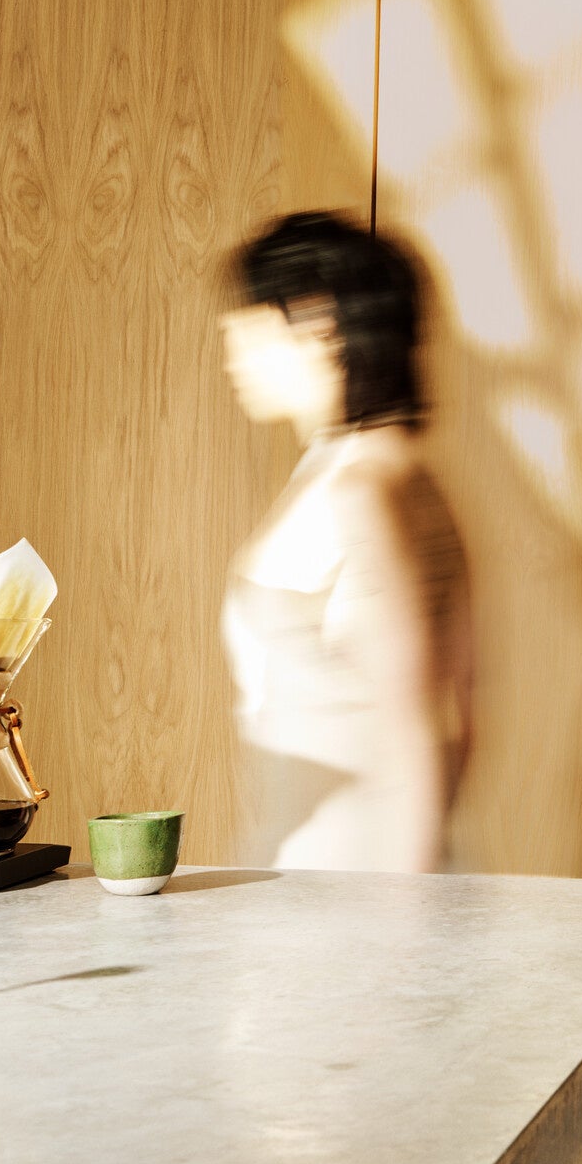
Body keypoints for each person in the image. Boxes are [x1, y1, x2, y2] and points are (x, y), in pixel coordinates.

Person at [218, 212, 472, 871]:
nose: (232, 351)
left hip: (355, 876)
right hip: (319, 864)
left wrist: (411, 906)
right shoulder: (371, 469)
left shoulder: (364, 488)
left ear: (318, 322)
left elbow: (422, 723)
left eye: (246, 326)